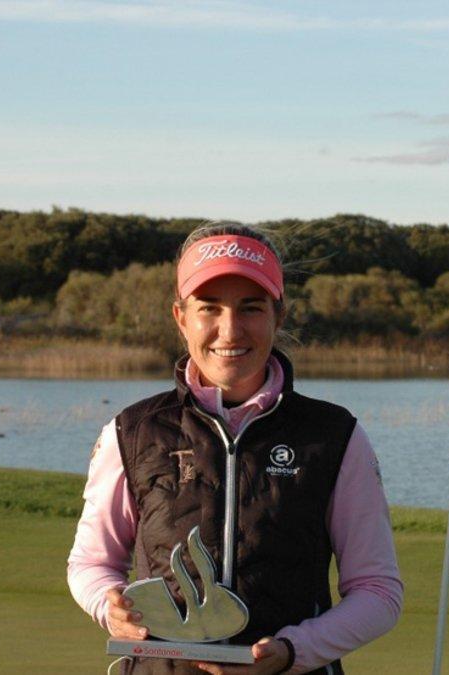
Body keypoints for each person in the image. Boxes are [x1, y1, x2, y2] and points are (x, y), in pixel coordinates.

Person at [67, 223, 403, 675]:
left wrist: (294, 651)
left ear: (277, 316)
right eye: (209, 308)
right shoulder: (132, 430)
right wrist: (112, 609)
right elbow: (92, 563)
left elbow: (378, 592)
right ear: (181, 317)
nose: (230, 330)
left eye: (250, 308)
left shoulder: (334, 435)